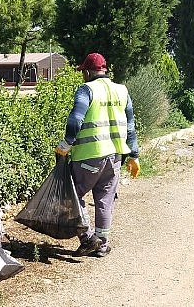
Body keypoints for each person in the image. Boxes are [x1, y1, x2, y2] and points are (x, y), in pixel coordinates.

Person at [54, 52, 140, 257]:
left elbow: (75, 120)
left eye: (83, 71)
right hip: (115, 157)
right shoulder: (122, 91)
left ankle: (88, 238)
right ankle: (102, 245)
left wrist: (65, 145)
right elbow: (130, 127)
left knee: (72, 196)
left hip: (89, 156)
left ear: (87, 71)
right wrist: (134, 155)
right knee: (105, 200)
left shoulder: (86, 90)